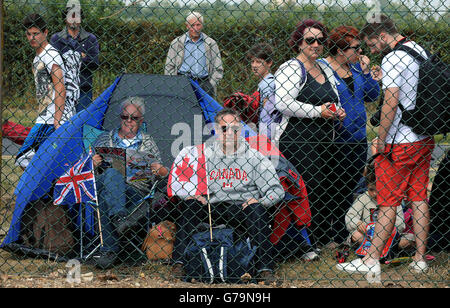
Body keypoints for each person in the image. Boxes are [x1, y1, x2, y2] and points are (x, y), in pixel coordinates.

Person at [337, 15, 435, 278]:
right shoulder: (417, 49)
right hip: (423, 136)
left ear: (382, 36)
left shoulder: (392, 58)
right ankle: (419, 257)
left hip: (399, 141)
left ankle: (370, 259)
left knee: (388, 202)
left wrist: (381, 139)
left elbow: (391, 101)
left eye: (371, 43)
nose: (369, 50)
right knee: (418, 197)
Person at [170, 108, 285, 284]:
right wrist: (193, 194)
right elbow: (183, 181)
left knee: (257, 210)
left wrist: (261, 201)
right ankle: (178, 263)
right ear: (216, 130)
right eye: (224, 128)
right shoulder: (202, 155)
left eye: (235, 128)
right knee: (190, 205)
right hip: (212, 206)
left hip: (242, 207)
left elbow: (276, 191)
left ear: (241, 130)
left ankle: (264, 268)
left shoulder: (255, 157)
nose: (229, 133)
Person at [274, 19, 346, 249]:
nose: (316, 44)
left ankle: (321, 238)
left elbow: (333, 98)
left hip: (325, 139)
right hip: (298, 139)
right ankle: (303, 240)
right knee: (307, 186)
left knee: (325, 186)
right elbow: (283, 103)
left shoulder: (324, 66)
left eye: (320, 40)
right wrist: (318, 112)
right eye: (310, 40)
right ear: (299, 42)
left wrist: (337, 111)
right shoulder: (291, 68)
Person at [318, 25, 381, 246]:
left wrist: (366, 72)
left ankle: (341, 232)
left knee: (350, 186)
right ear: (340, 50)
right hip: (334, 138)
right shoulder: (322, 69)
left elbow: (373, 95)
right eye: (355, 48)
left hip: (357, 137)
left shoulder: (355, 69)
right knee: (330, 186)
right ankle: (325, 233)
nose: (360, 51)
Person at [92, 96, 168, 269]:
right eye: (124, 117)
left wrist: (158, 169)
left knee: (104, 196)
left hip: (135, 191)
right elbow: (88, 170)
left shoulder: (148, 142)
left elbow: (163, 172)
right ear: (120, 118)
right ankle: (120, 219)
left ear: (141, 120)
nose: (128, 121)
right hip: (106, 182)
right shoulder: (105, 139)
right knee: (111, 174)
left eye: (133, 118)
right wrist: (93, 163)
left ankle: (109, 250)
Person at [15, 14, 75, 169]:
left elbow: (60, 86)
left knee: (24, 157)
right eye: (28, 34)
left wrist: (57, 120)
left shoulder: (51, 55)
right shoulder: (38, 57)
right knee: (47, 161)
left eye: (36, 33)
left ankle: (47, 190)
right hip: (45, 115)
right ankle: (48, 191)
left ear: (46, 33)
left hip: (52, 118)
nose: (31, 37)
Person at [51, 3, 100, 113]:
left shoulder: (90, 39)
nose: (74, 19)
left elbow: (94, 63)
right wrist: (80, 56)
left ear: (81, 19)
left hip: (84, 88)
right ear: (65, 18)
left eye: (77, 16)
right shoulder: (56, 39)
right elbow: (53, 63)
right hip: (61, 88)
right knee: (63, 122)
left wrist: (69, 58)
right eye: (70, 15)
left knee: (82, 121)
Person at [164, 12, 223, 98]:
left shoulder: (211, 43)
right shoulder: (177, 43)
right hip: (182, 82)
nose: (195, 28)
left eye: (198, 25)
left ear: (202, 25)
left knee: (202, 111)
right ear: (187, 26)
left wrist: (211, 84)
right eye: (192, 25)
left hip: (204, 83)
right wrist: (174, 84)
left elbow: (218, 68)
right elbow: (169, 66)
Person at [345, 166, 405, 247]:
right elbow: (350, 216)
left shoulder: (392, 198)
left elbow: (400, 223)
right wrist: (357, 223)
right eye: (371, 189)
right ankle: (373, 248)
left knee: (407, 240)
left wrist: (388, 228)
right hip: (367, 235)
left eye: (379, 189)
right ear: (366, 187)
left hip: (388, 235)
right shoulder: (363, 198)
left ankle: (380, 247)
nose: (375, 194)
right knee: (356, 235)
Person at [246, 43, 277, 137]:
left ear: (269, 63)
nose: (254, 65)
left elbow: (267, 114)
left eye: (258, 62)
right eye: (252, 61)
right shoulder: (264, 82)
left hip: (266, 132)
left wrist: (263, 136)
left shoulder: (267, 84)